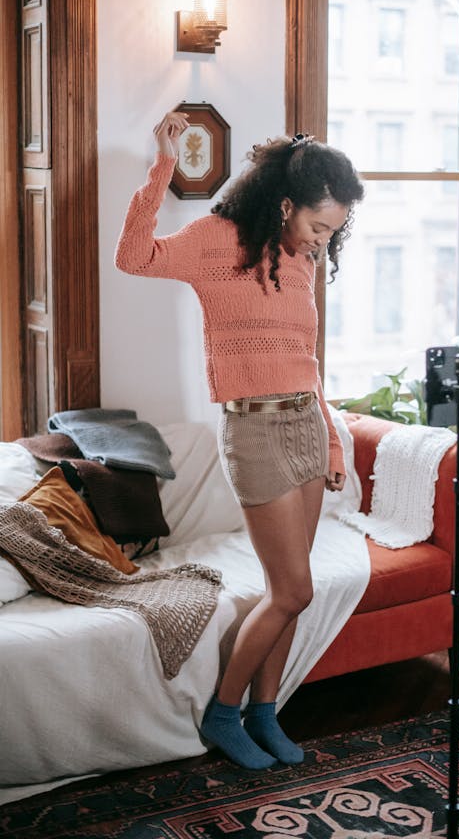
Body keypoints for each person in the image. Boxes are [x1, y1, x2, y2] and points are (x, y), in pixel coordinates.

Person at [115, 111, 363, 770]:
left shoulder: (302, 261)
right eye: (317, 226)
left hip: (306, 425)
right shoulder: (217, 240)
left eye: (333, 232)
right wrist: (161, 168)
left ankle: (264, 713)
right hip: (253, 430)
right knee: (294, 593)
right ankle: (225, 715)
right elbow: (133, 257)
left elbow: (305, 359)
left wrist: (334, 446)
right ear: (286, 203)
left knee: (293, 585)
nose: (321, 241)